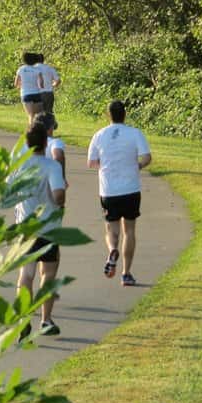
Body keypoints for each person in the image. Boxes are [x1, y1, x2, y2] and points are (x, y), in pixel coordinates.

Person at [8, 116, 66, 336]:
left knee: (26, 274)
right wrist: (57, 201)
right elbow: (59, 196)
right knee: (48, 275)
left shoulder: (19, 167)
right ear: (45, 143)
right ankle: (46, 319)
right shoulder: (51, 167)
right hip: (49, 227)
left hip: (25, 227)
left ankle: (23, 319)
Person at [87, 100, 152, 287]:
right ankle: (126, 273)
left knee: (111, 229)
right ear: (125, 114)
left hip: (109, 190)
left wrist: (105, 167)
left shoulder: (99, 135)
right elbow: (147, 157)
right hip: (131, 189)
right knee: (129, 230)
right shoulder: (134, 133)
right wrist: (137, 166)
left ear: (108, 115)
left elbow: (91, 162)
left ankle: (112, 250)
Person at [14, 52, 44, 125]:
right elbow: (41, 83)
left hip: (26, 94)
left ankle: (32, 131)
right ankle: (40, 130)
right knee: (39, 115)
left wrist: (20, 86)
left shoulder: (21, 69)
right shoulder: (37, 70)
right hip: (36, 94)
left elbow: (16, 83)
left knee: (31, 115)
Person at [36, 53, 61, 121]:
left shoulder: (33, 69)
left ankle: (39, 128)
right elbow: (58, 80)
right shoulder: (49, 68)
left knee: (38, 114)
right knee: (48, 114)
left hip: (37, 93)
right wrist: (53, 85)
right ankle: (49, 128)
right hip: (49, 93)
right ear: (43, 60)